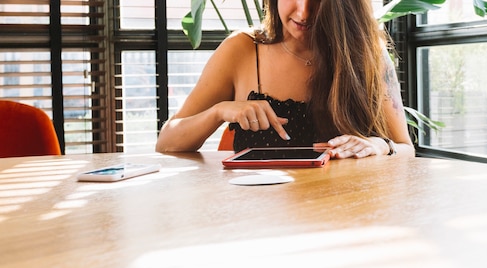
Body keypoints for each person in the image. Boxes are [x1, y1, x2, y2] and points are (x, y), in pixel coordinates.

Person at [155, 0, 414, 158]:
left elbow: (406, 149)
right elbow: (166, 143)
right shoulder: (241, 50)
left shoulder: (369, 57)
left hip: (344, 215)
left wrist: (381, 146)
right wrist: (219, 111)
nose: (303, 11)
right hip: (259, 219)